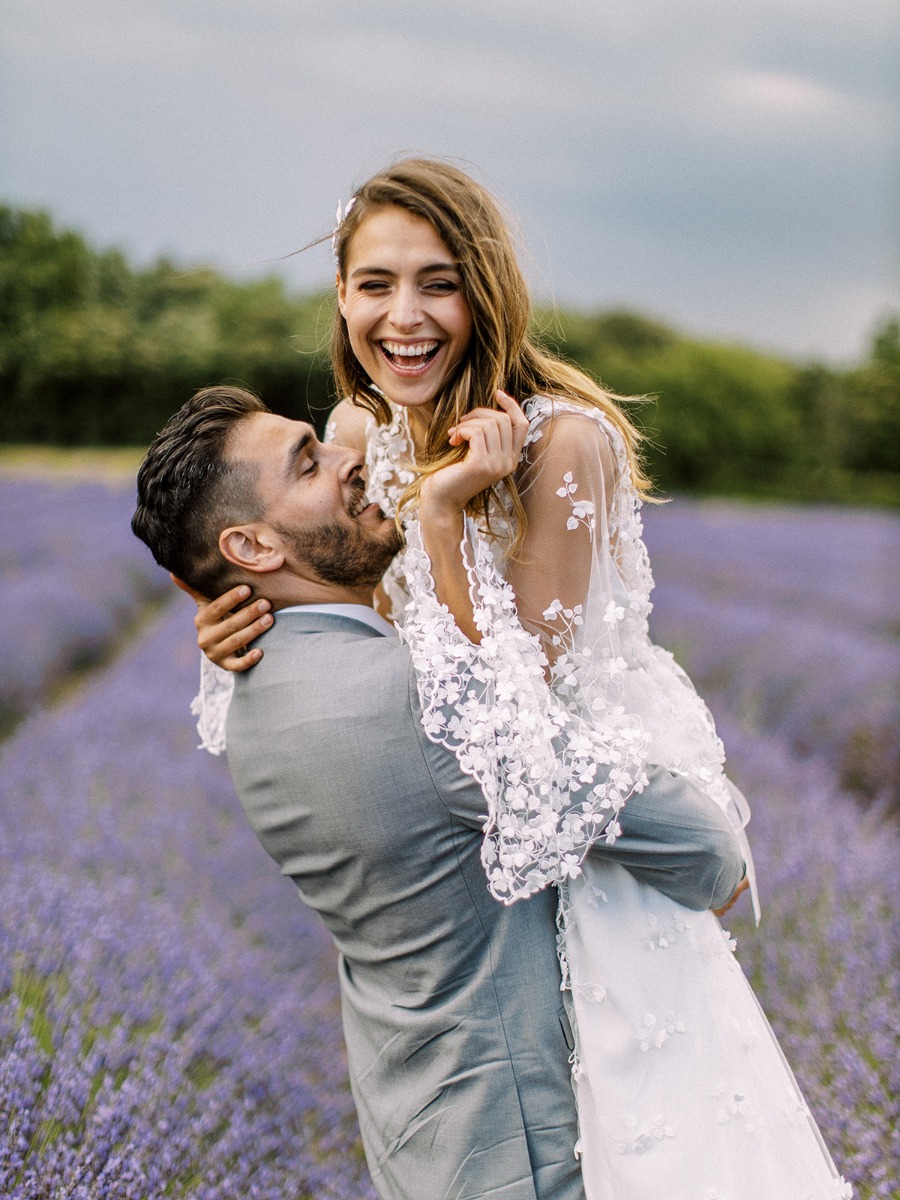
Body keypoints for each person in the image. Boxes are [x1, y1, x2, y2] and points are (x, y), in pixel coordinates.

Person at [190, 161, 852, 1197]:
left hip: (592, 846)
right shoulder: (363, 433)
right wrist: (240, 610)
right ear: (341, 295)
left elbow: (513, 727)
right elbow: (347, 607)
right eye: (374, 284)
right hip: (474, 860)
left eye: (437, 282)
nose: (402, 316)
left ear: (488, 291)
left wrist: (447, 518)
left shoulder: (562, 445)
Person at [132, 385, 749, 1200]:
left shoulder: (248, 693)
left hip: (419, 1136)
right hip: (528, 1150)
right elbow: (707, 852)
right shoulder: (418, 701)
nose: (349, 456)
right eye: (308, 462)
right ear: (250, 544)